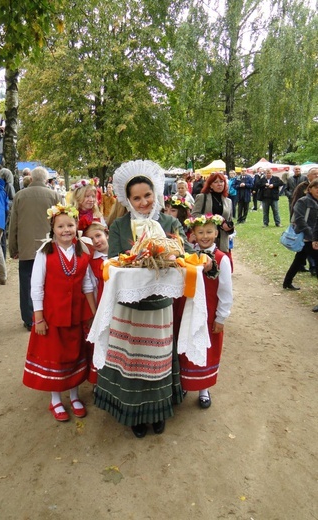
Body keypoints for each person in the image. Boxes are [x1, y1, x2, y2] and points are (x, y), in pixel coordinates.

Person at [94, 159, 194, 438]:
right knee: (132, 360)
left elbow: (183, 255)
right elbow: (113, 263)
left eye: (147, 196)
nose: (143, 202)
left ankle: (158, 411)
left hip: (159, 307)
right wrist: (135, 261)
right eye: (136, 198)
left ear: (156, 194)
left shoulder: (170, 222)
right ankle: (134, 413)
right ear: (127, 200)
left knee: (157, 360)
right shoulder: (119, 227)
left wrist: (172, 256)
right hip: (129, 307)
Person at [23, 204, 96, 422]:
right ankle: (55, 399)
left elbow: (87, 285)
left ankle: (74, 395)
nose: (66, 230)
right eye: (61, 226)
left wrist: (93, 315)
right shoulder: (45, 252)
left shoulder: (82, 250)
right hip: (52, 316)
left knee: (74, 354)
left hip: (76, 315)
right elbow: (36, 286)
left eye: (70, 225)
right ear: (53, 229)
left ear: (77, 227)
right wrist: (39, 318)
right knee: (55, 356)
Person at [179, 214, 233, 408]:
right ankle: (185, 383)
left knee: (206, 349)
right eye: (200, 232)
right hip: (188, 309)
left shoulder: (221, 259)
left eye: (209, 232)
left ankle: (204, 388)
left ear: (216, 233)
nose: (204, 236)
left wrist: (221, 317)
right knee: (186, 345)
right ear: (193, 234)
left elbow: (226, 291)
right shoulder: (187, 257)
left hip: (209, 311)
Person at [9, 167, 59, 331]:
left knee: (26, 283)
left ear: (31, 179)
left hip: (26, 247)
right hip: (48, 246)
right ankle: (48, 315)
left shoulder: (19, 196)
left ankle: (29, 318)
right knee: (48, 282)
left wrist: (13, 248)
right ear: (46, 180)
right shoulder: (54, 196)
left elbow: (13, 224)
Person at [82, 222, 109, 384]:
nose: (96, 241)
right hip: (103, 305)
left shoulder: (120, 254)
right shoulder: (91, 262)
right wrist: (94, 312)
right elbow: (90, 287)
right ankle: (101, 379)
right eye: (91, 239)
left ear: (106, 234)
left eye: (98, 236)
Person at [283, 179, 318, 291]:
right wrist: (312, 236)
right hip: (306, 238)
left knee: (299, 259)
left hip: (313, 238)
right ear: (310, 189)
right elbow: (299, 219)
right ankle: (287, 282)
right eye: (316, 188)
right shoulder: (303, 201)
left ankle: (287, 282)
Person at [191, 172, 234, 261]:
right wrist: (213, 218)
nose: (219, 184)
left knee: (222, 266)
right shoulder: (202, 197)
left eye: (221, 181)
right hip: (206, 238)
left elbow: (230, 220)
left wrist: (229, 227)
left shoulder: (228, 201)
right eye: (216, 182)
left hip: (222, 240)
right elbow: (194, 215)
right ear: (210, 185)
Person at [0, 168, 15, 259]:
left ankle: (3, 256)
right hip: (5, 211)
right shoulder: (7, 185)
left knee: (3, 235)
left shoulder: (7, 186)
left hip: (4, 212)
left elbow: (11, 199)